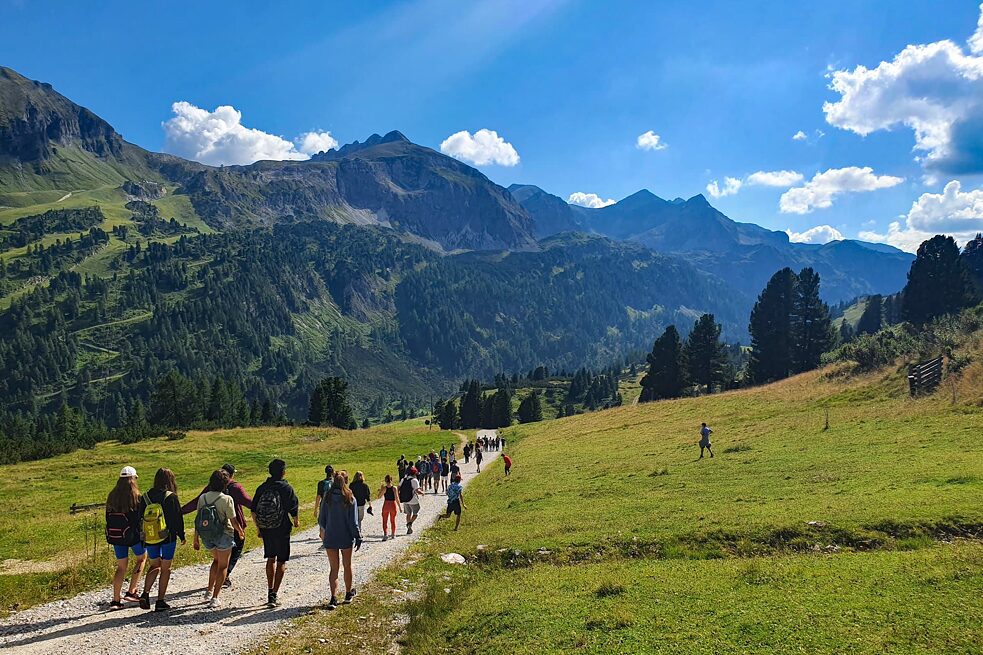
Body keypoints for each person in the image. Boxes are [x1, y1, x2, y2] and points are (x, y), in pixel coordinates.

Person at [182, 463, 252, 589]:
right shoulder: (236, 487)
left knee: (218, 558)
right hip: (231, 527)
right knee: (234, 552)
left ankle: (215, 584)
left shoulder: (210, 488)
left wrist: (180, 511)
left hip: (210, 528)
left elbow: (195, 503)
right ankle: (224, 577)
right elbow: (248, 502)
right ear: (232, 475)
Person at [252, 459, 300, 607]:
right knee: (281, 561)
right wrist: (296, 521)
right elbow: (293, 509)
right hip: (282, 527)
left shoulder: (262, 487)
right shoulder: (286, 488)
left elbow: (253, 510)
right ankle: (274, 595)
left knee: (270, 558)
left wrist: (259, 527)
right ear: (283, 472)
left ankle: (269, 589)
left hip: (266, 528)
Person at [194, 470, 243, 609]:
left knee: (216, 561)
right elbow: (233, 521)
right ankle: (215, 597)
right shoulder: (227, 499)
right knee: (223, 566)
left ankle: (208, 591)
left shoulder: (202, 498)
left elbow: (198, 520)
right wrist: (240, 532)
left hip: (207, 536)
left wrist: (195, 538)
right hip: (223, 535)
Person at [138, 467, 185, 611]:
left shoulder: (145, 497)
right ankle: (160, 601)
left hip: (151, 537)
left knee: (154, 565)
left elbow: (140, 517)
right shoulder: (170, 496)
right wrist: (181, 535)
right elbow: (177, 518)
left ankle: (145, 593)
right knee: (166, 568)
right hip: (167, 538)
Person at [105, 466, 147, 609]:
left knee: (121, 567)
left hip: (116, 535)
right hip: (132, 535)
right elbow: (139, 517)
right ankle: (132, 591)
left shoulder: (112, 495)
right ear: (133, 479)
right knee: (141, 558)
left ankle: (116, 600)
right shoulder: (136, 496)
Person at [318, 471, 362, 610]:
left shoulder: (327, 497)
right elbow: (353, 522)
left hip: (330, 537)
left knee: (334, 569)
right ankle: (348, 594)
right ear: (345, 482)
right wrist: (358, 536)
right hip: (345, 537)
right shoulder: (350, 498)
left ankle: (333, 597)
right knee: (347, 565)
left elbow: (321, 520)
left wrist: (326, 529)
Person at [399, 466, 423, 534]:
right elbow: (417, 491)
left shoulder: (403, 479)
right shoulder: (414, 480)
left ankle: (409, 528)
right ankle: (410, 523)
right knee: (416, 513)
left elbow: (398, 487)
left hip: (405, 500)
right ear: (414, 473)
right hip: (413, 500)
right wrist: (422, 493)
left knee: (408, 514)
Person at [378, 474, 398, 540]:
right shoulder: (394, 488)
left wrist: (381, 489)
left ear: (385, 480)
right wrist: (400, 507)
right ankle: (393, 534)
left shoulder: (384, 488)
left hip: (386, 504)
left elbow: (379, 497)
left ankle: (385, 534)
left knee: (384, 520)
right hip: (393, 504)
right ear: (391, 480)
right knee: (393, 520)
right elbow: (397, 498)